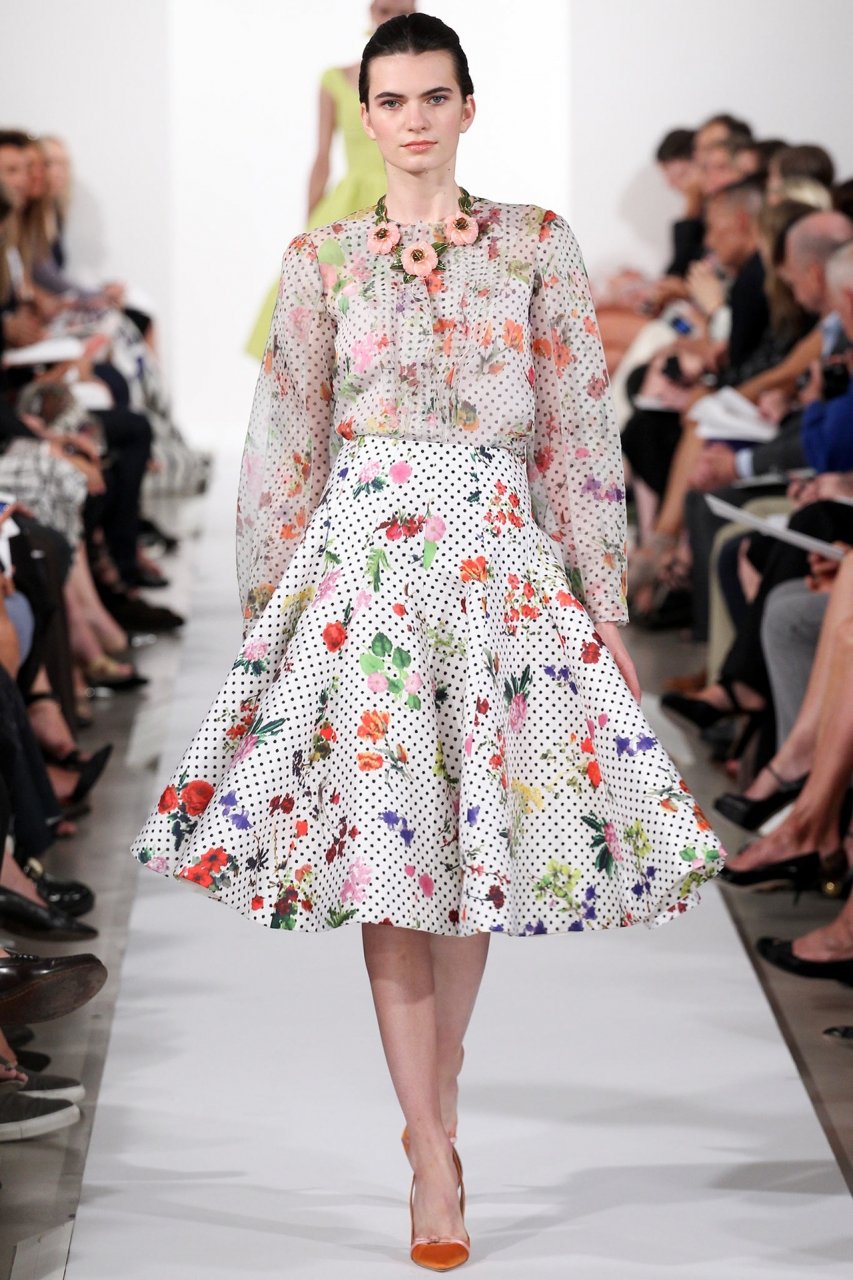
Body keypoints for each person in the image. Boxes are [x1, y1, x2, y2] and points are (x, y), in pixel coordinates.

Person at [131, 14, 724, 1270]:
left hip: (498, 571)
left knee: (474, 849)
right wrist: (272, 612)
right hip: (367, 579)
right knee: (391, 863)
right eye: (390, 99)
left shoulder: (536, 245)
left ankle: (435, 1097)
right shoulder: (322, 260)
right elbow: (286, 438)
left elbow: (575, 427)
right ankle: (432, 1152)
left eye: (431, 96)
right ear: (366, 114)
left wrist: (601, 602)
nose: (411, 119)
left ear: (467, 105)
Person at [244, 0, 416, 361]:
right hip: (350, 202)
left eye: (402, 10)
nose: (392, 18)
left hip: (405, 199)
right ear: (371, 12)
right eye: (384, 10)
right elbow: (321, 156)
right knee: (314, 294)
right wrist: (307, 227)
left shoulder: (422, 81)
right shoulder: (336, 80)